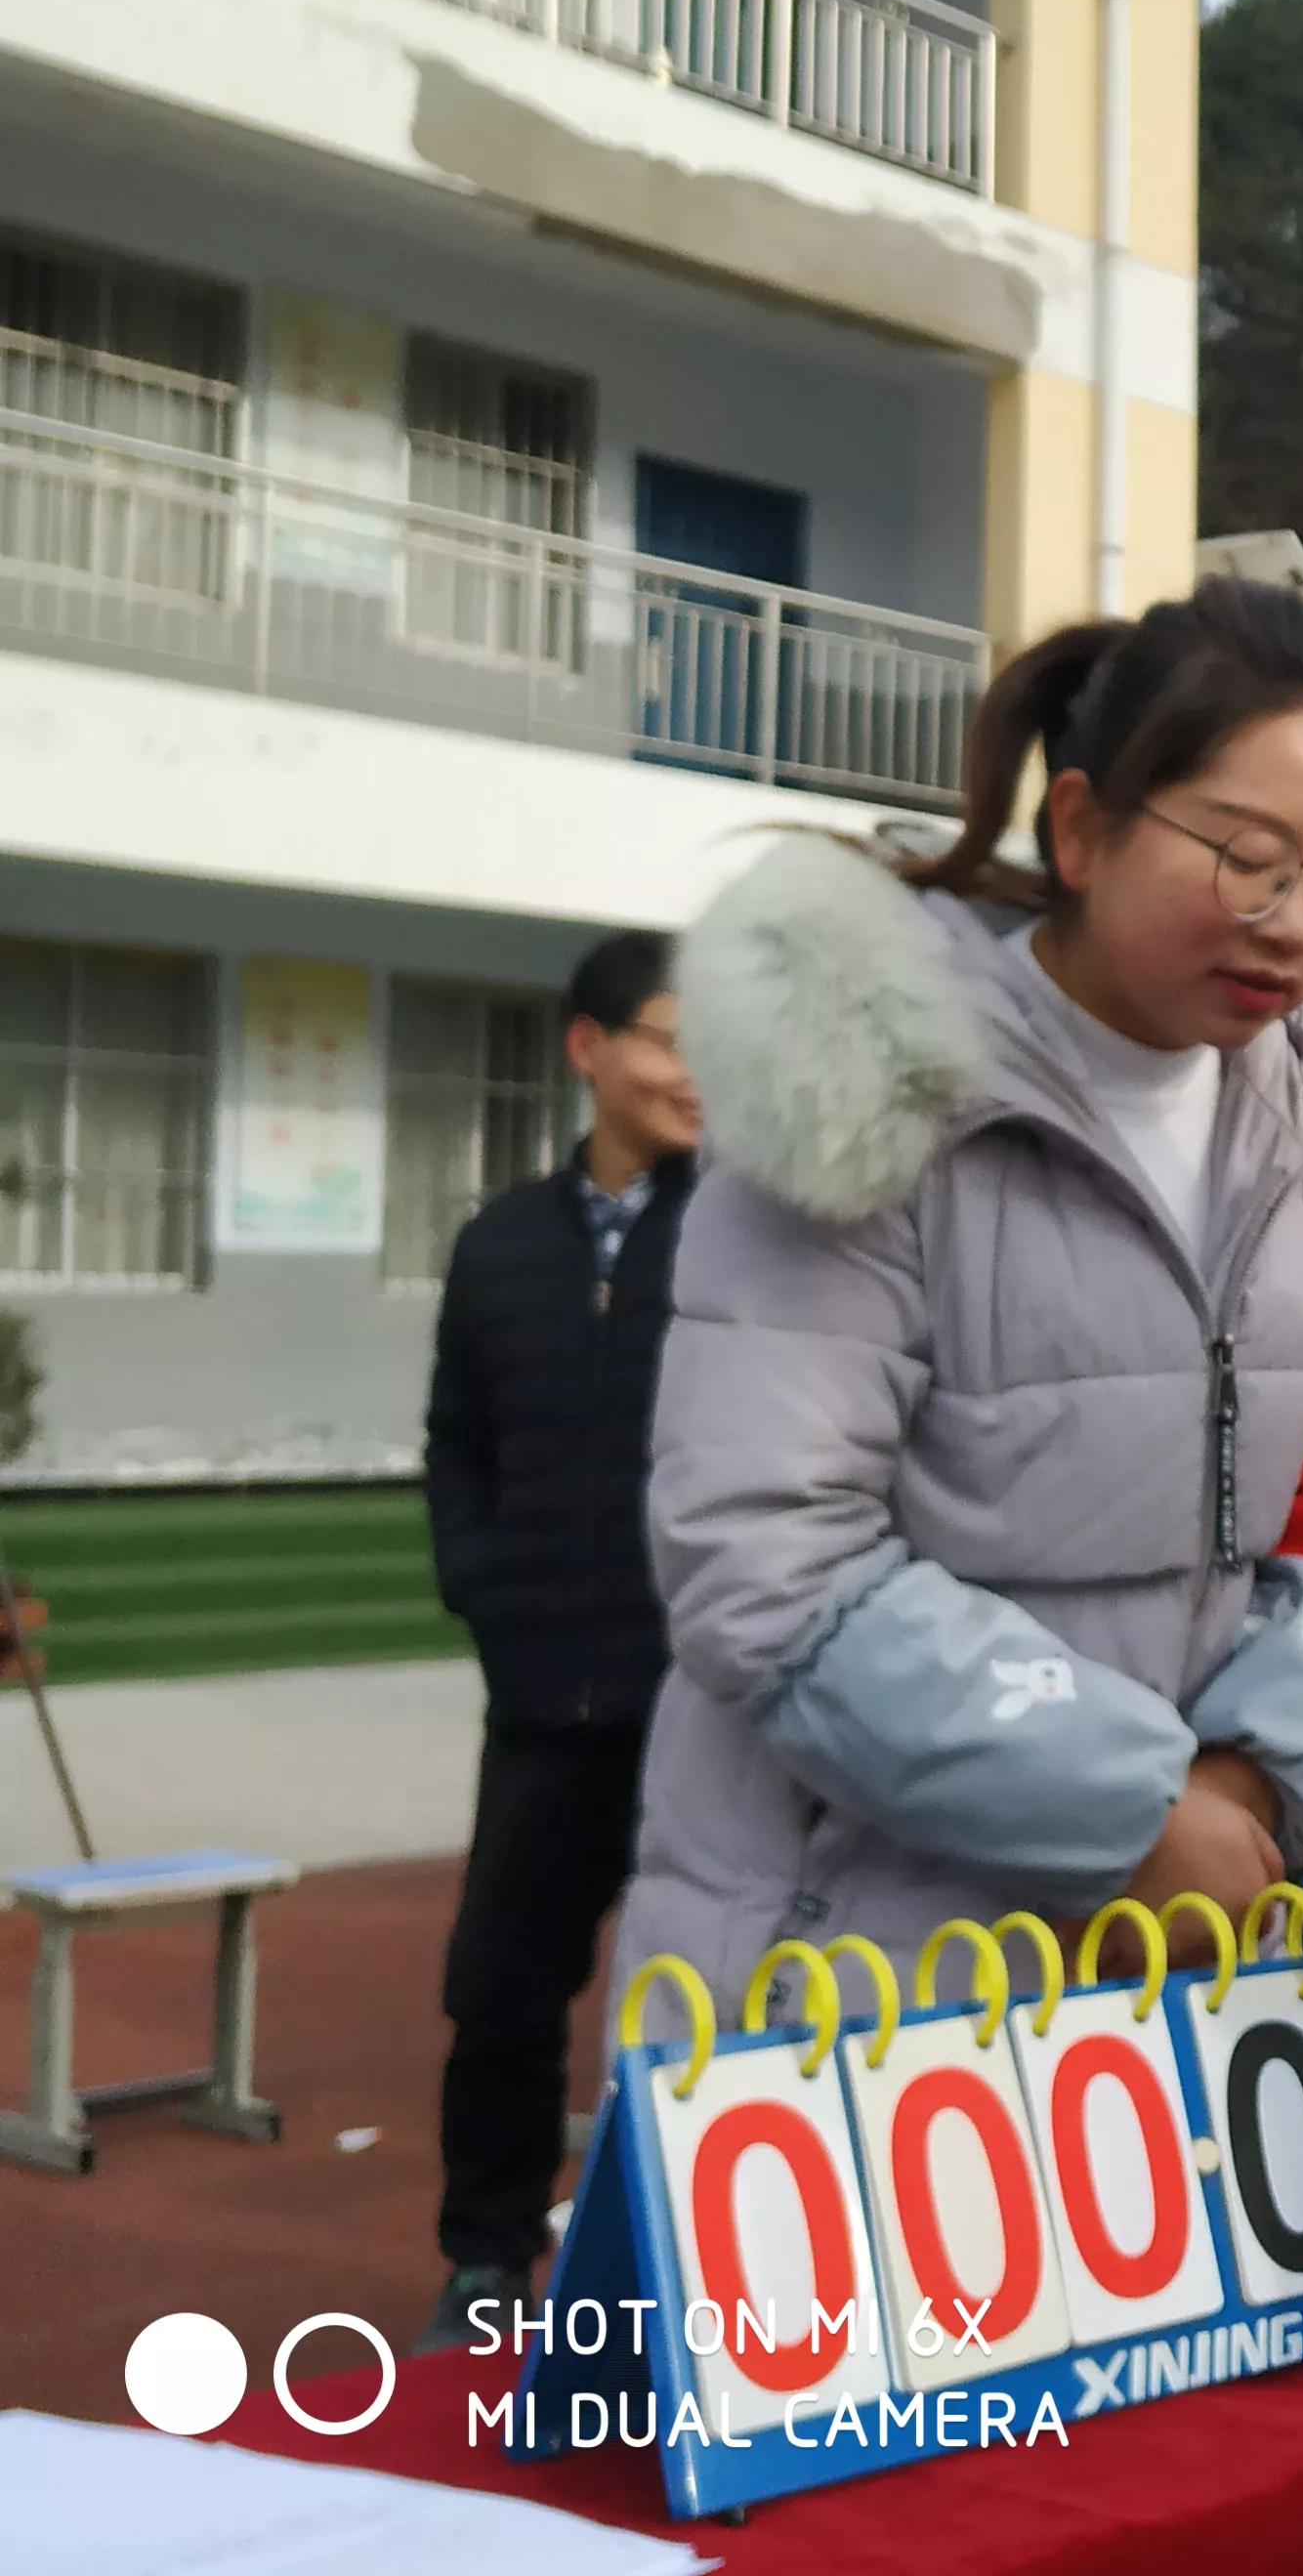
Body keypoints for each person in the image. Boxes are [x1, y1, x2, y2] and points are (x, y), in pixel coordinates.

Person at [616, 579, 1303, 2023]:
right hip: (861, 1971)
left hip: (1184, 1963)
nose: (1298, 926)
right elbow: (768, 1563)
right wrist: (1135, 1814)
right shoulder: (866, 1103)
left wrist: (1243, 1792)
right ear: (1080, 827)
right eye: (1250, 860)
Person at [412, 931, 703, 2349]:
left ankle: (698, 2268)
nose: (696, 1069)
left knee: (701, 1987)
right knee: (506, 1988)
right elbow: (455, 1443)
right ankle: (484, 2255)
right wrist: (485, 1584)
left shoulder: (743, 1237)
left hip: (701, 1701)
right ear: (590, 1049)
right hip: (537, 1694)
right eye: (668, 1034)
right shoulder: (499, 1245)